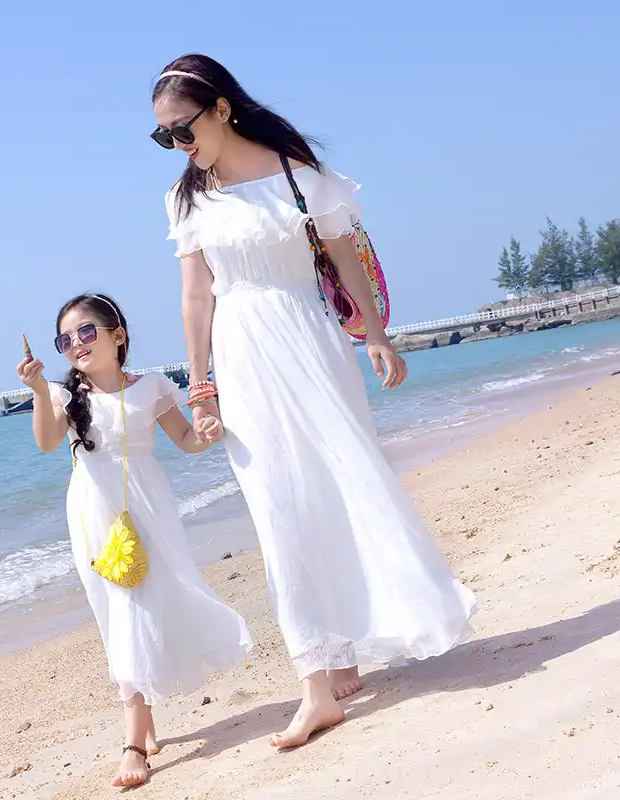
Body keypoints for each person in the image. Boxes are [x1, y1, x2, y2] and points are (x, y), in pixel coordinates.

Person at [151, 55, 476, 749]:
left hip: (311, 340)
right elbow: (196, 297)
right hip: (241, 356)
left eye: (181, 130)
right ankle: (315, 681)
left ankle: (350, 642)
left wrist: (378, 336)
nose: (177, 147)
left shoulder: (295, 169)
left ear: (220, 108)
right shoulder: (188, 199)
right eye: (163, 139)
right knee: (277, 507)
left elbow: (345, 254)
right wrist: (201, 385)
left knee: (343, 482)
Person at [18, 293, 252, 788]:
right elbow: (45, 443)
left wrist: (210, 429)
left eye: (86, 332)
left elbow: (187, 441)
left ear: (117, 335)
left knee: (140, 610)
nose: (75, 344)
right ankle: (140, 726)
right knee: (115, 615)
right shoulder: (65, 397)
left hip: (148, 511)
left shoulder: (153, 388)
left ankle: (133, 738)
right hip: (91, 515)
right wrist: (40, 390)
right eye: (65, 338)